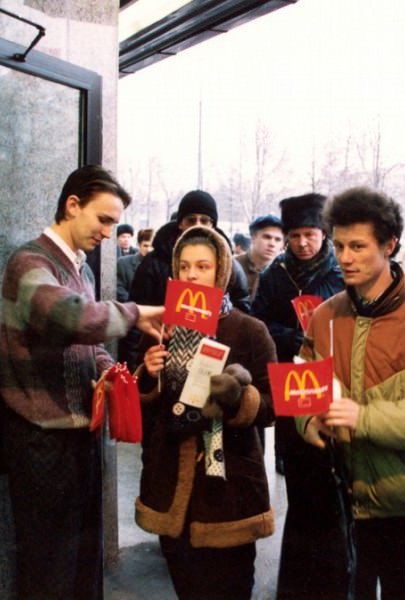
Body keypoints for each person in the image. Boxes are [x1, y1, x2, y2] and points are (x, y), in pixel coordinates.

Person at [296, 186, 405, 600]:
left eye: (358, 246)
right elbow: (304, 381)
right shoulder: (325, 316)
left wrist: (363, 418)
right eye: (339, 245)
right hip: (343, 497)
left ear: (390, 245)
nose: (344, 257)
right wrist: (307, 420)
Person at [0, 165, 164, 600]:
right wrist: (135, 313)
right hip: (42, 440)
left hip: (78, 435)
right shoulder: (28, 263)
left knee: (82, 559)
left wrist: (115, 371)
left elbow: (86, 343)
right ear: (72, 205)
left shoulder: (83, 270)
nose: (109, 233)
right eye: (103, 219)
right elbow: (69, 317)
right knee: (50, 564)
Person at [134, 225, 277, 600]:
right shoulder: (164, 325)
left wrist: (237, 398)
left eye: (202, 266)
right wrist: (148, 372)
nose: (192, 275)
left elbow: (272, 405)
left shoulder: (250, 330)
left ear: (222, 271)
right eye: (184, 267)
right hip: (171, 477)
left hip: (229, 483)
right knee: (185, 582)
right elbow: (143, 397)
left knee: (230, 585)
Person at [251, 193, 346, 599]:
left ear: (324, 234)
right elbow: (259, 324)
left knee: (334, 480)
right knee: (300, 483)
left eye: (310, 235)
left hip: (335, 382)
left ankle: (335, 582)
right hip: (293, 383)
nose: (303, 243)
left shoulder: (341, 273)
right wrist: (294, 338)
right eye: (295, 236)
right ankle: (296, 583)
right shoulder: (276, 274)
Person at [131, 190, 252, 313]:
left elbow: (242, 305)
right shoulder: (153, 263)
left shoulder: (229, 265)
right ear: (180, 224)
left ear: (213, 226)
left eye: (204, 220)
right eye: (191, 220)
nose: (197, 225)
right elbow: (138, 311)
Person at [117, 226, 155, 368]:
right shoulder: (124, 263)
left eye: (152, 246)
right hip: (131, 321)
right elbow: (119, 290)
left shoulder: (158, 266)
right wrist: (138, 308)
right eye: (146, 245)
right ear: (139, 245)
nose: (149, 249)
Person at [235, 214, 284, 301]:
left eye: (278, 239)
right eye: (267, 237)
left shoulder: (284, 273)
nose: (272, 244)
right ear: (253, 238)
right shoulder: (233, 266)